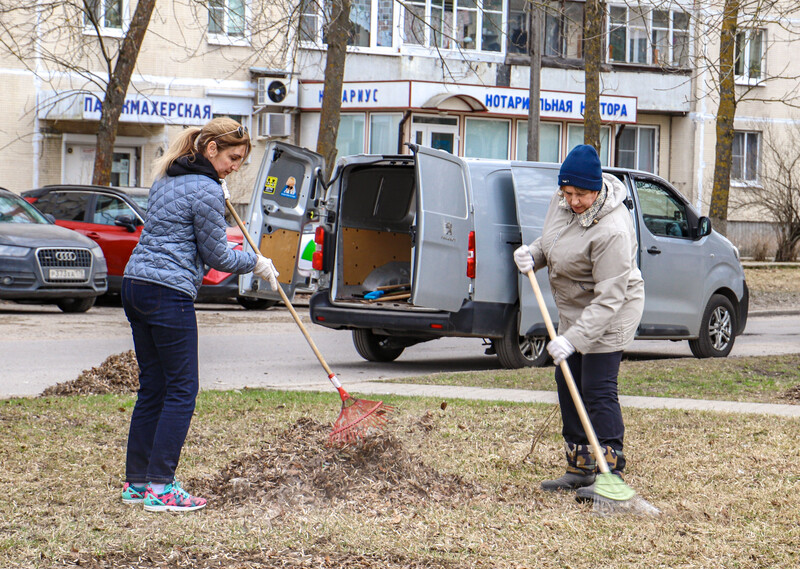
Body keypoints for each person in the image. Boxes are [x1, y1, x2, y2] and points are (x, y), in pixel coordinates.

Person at [119, 117, 279, 512]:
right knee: (181, 389)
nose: (234, 167)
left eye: (240, 162)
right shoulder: (206, 190)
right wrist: (256, 262)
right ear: (211, 150)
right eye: (232, 158)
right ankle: (161, 488)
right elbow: (218, 256)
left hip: (134, 285)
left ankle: (137, 483)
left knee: (154, 387)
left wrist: (215, 191)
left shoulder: (166, 180)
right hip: (166, 292)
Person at [513, 144, 644, 493]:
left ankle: (609, 472)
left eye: (581, 194)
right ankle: (580, 467)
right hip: (575, 308)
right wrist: (533, 254)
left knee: (596, 388)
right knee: (566, 381)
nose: (573, 201)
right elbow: (557, 241)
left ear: (597, 188)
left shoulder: (612, 230)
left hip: (611, 310)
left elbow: (610, 298)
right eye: (567, 192)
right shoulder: (562, 204)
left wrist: (573, 340)